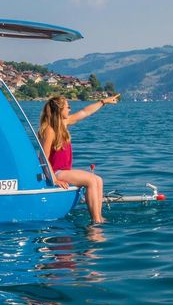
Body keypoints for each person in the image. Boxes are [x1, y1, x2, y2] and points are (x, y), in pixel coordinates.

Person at [39, 93, 120, 223]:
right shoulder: (50, 130)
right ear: (59, 110)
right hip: (56, 172)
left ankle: (99, 217)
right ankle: (96, 221)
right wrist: (54, 179)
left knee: (98, 179)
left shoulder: (63, 124)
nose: (70, 109)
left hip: (64, 171)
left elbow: (85, 112)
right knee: (91, 181)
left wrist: (103, 102)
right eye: (67, 107)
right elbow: (43, 158)